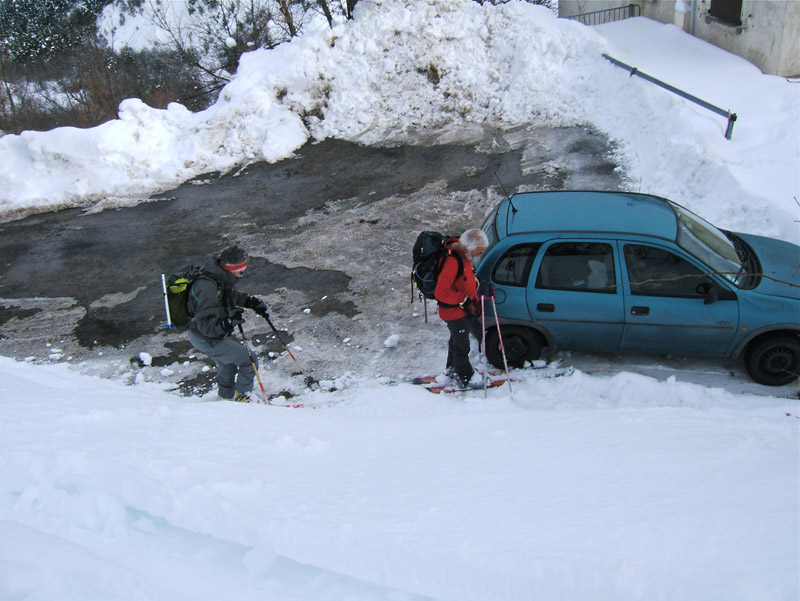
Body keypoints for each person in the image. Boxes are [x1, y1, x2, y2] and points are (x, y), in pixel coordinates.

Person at [185, 244, 269, 402]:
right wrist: (228, 322)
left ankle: (224, 400)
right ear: (232, 268)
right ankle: (244, 397)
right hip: (205, 336)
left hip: (207, 334)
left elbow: (228, 295)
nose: (242, 274)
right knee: (249, 360)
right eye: (241, 270)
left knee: (228, 365)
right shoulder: (207, 287)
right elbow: (206, 325)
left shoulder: (218, 277)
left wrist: (250, 302)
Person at [434, 228, 489, 388]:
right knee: (461, 345)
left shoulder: (464, 256)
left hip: (459, 309)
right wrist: (463, 299)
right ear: (467, 249)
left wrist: (477, 284)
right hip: (454, 312)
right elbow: (441, 292)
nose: (480, 256)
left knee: (456, 340)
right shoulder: (452, 262)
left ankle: (451, 368)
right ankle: (466, 376)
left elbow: (464, 277)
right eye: (479, 253)